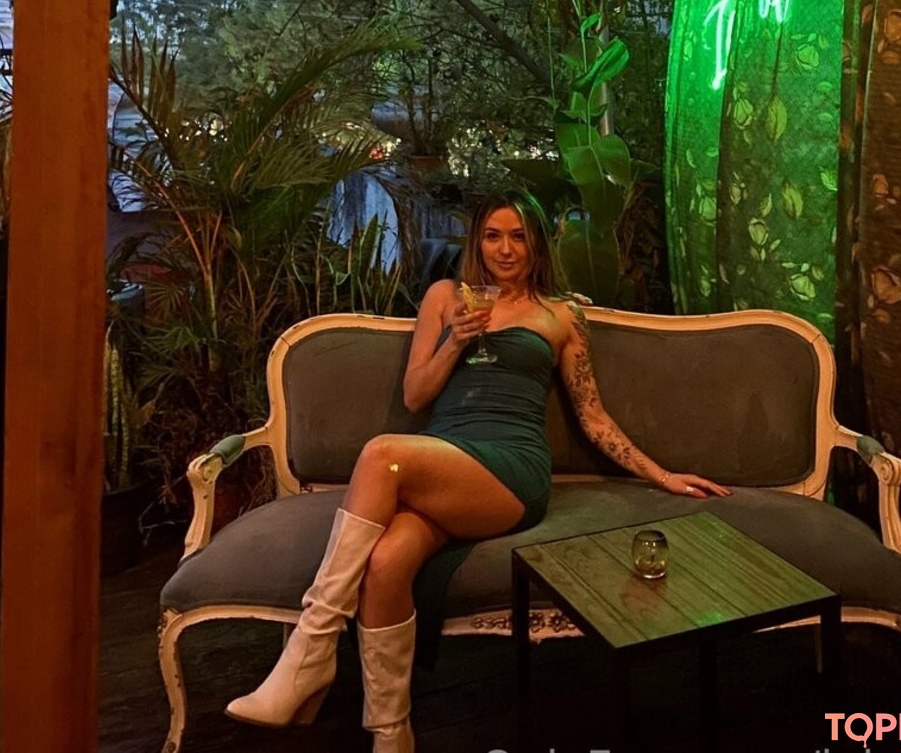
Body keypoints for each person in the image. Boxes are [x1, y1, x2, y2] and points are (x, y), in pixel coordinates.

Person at [226, 191, 729, 751]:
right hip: (444, 460)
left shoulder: (561, 315)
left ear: (536, 245)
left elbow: (593, 416)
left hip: (511, 469)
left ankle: (310, 650)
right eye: (493, 236)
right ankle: (392, 735)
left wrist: (662, 475)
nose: (505, 249)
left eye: (518, 236)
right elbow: (415, 395)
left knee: (381, 454)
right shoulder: (446, 297)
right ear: (477, 242)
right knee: (386, 562)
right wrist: (455, 342)